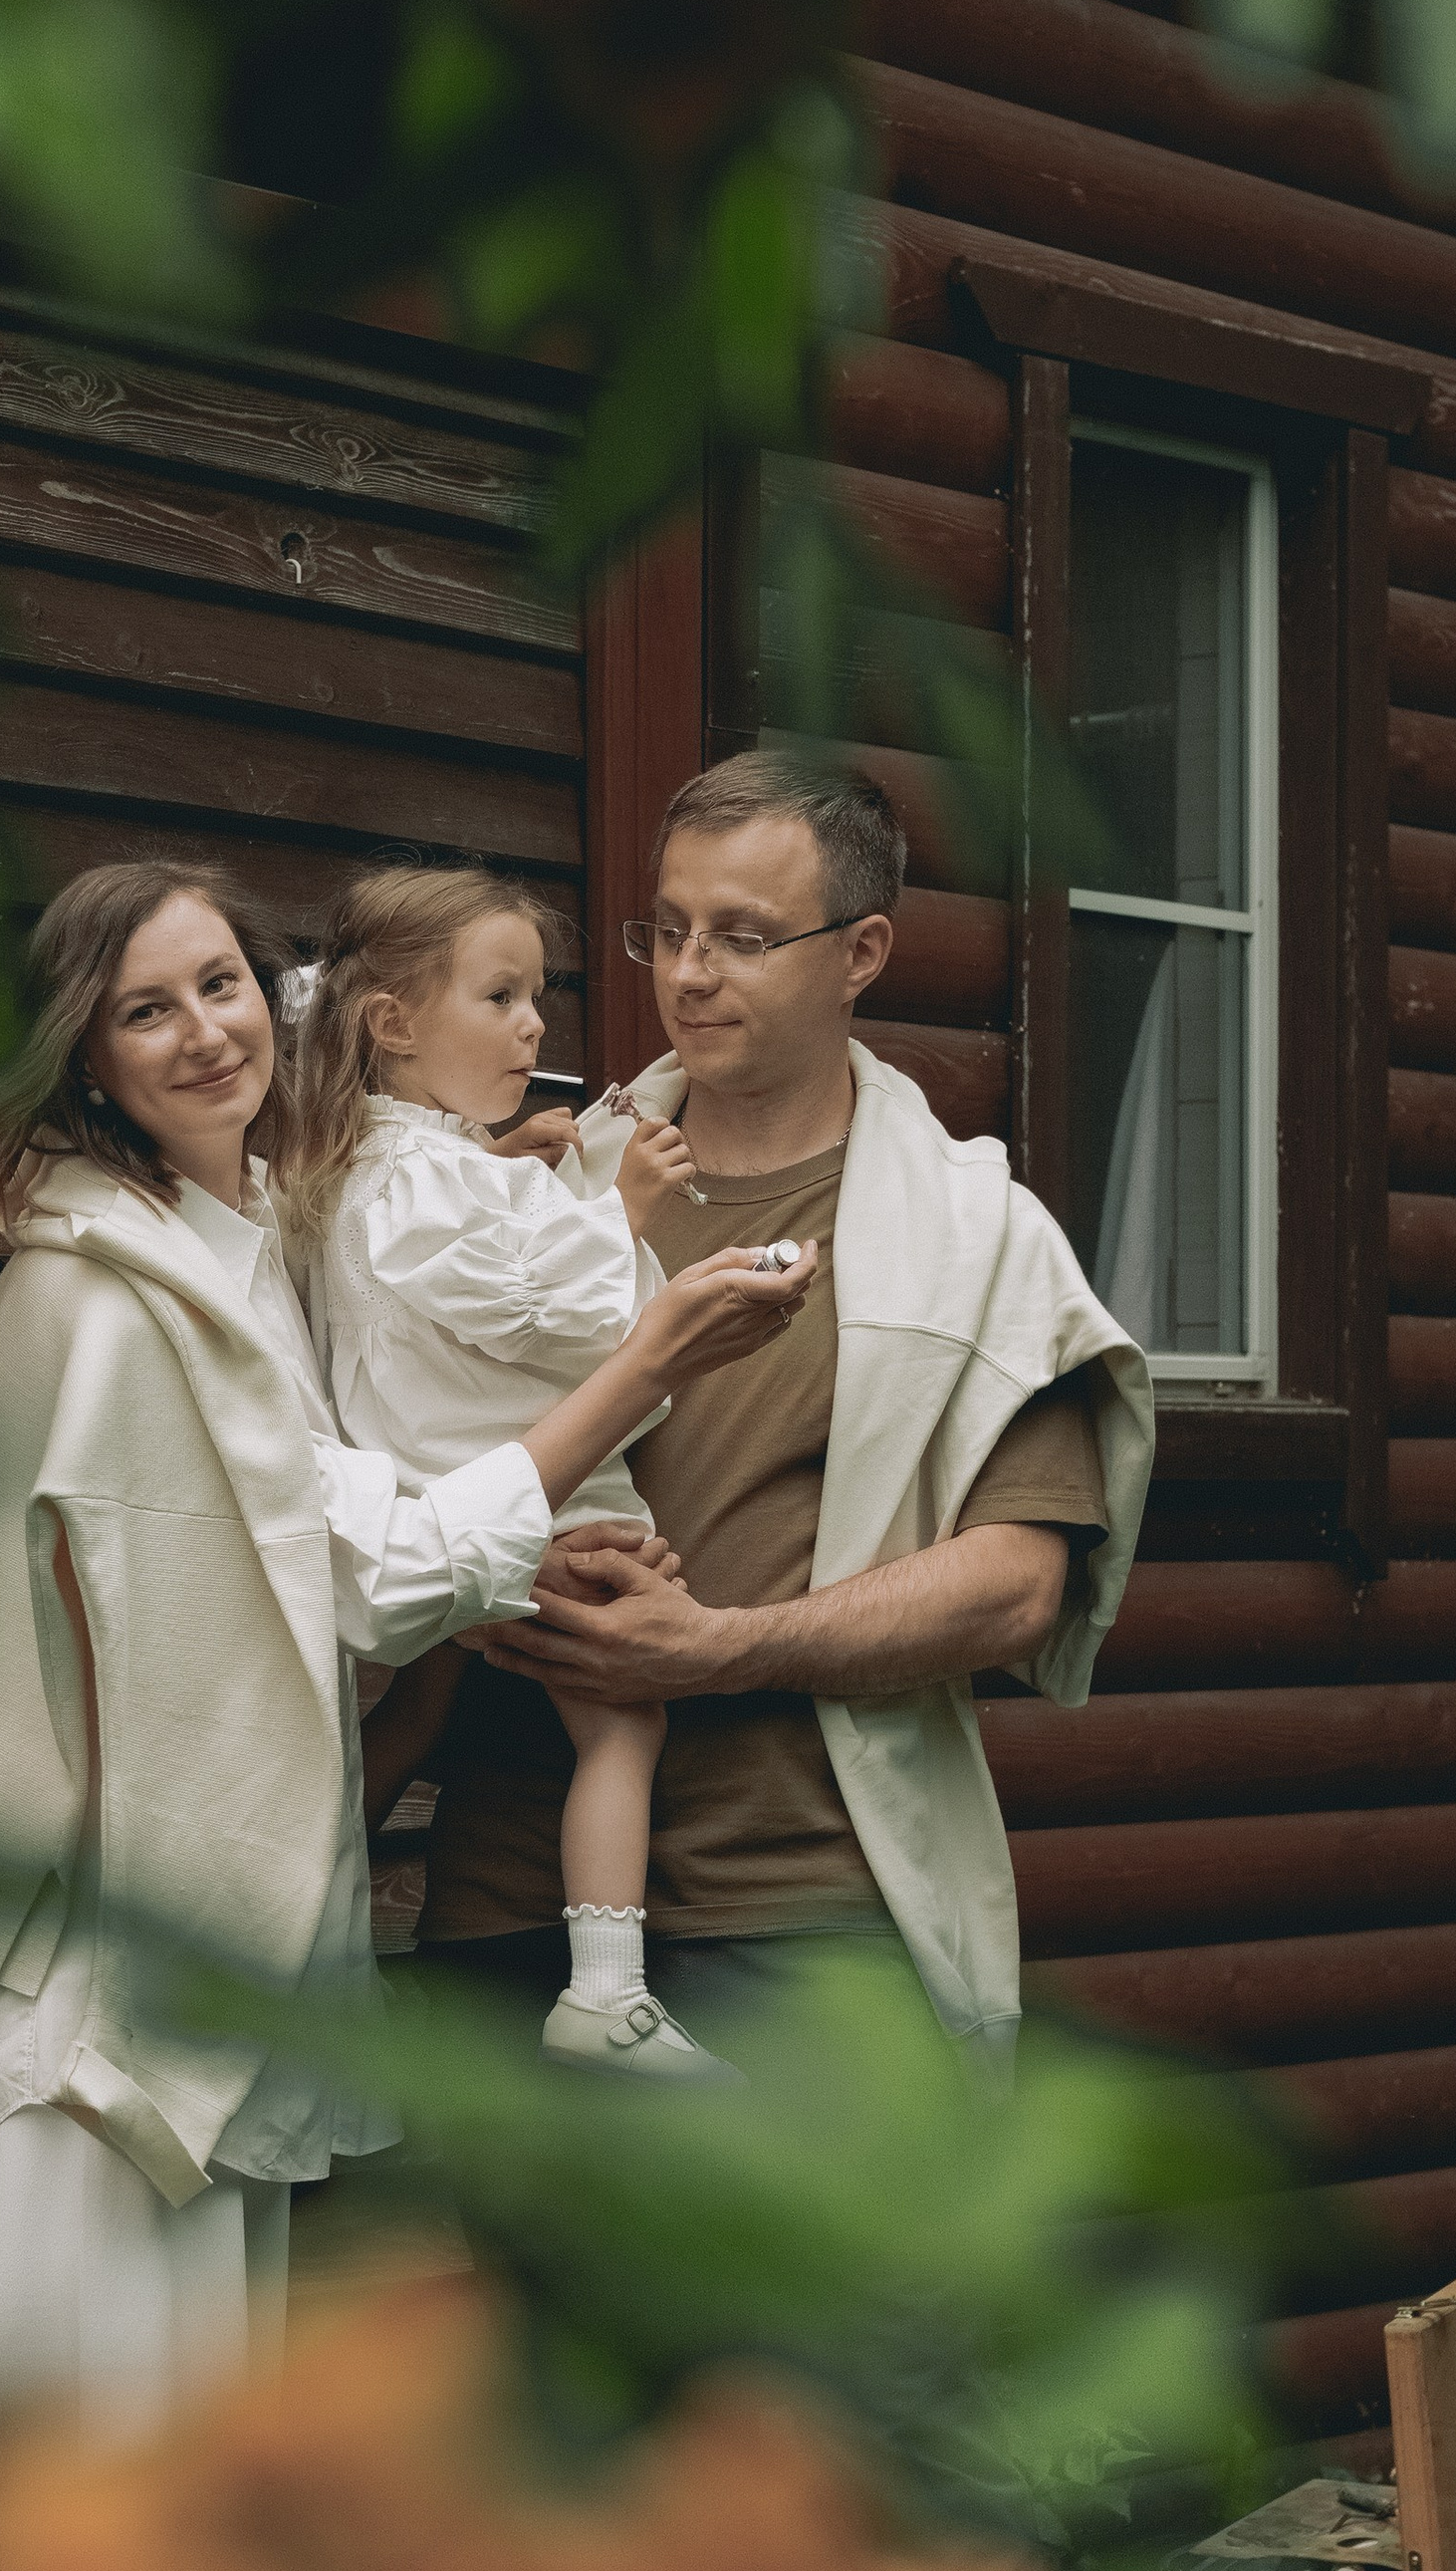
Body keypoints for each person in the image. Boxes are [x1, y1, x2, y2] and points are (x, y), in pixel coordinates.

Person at [0, 856, 815, 2433]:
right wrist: (645, 1354)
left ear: (278, 998)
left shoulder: (232, 1247)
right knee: (110, 2554)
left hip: (203, 1975)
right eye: (144, 1010)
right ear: (88, 1055)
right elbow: (374, 1577)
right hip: (94, 2010)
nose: (201, 1034)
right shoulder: (112, 1309)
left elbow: (354, 1487)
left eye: (221, 985)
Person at [390, 751, 1155, 2066]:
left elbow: (1020, 1587)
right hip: (509, 1895)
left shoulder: (978, 1235)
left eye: (741, 938)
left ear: (860, 952)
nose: (688, 974)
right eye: (668, 930)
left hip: (805, 1911)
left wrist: (721, 1648)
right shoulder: (528, 1184)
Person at [287, 864, 736, 2082]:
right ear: (392, 1024)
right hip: (508, 1499)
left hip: (434, 1495)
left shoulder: (390, 1164)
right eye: (499, 997)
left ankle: (297, 1909)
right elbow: (545, 1309)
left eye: (535, 997)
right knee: (625, 1722)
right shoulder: (415, 1175)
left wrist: (522, 1166)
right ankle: (605, 1990)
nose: (534, 1025)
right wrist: (626, 1210)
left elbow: (474, 1273)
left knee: (416, 1711)